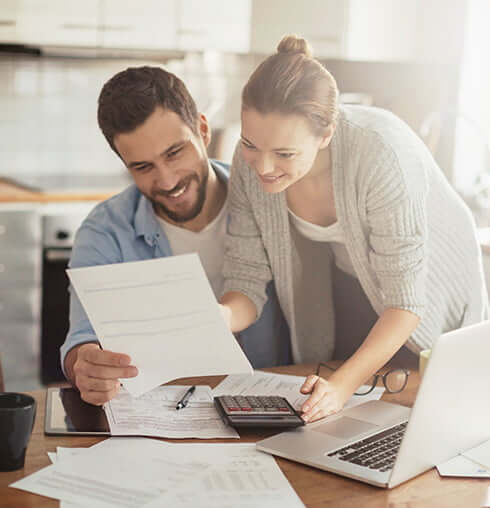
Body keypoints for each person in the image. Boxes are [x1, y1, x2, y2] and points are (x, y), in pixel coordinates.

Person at [219, 35, 488, 423]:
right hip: (350, 272)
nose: (261, 167)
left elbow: (405, 303)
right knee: (343, 409)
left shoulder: (382, 153)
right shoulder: (251, 164)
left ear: (326, 133)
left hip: (427, 286)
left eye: (284, 154)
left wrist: (342, 387)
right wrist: (219, 317)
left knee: (416, 406)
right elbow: (245, 279)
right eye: (250, 145)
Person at [60, 66, 290, 405]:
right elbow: (81, 340)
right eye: (142, 167)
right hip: (162, 413)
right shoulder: (105, 230)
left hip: (273, 406)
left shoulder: (267, 200)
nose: (167, 181)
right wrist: (86, 365)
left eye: (174, 153)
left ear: (203, 128)